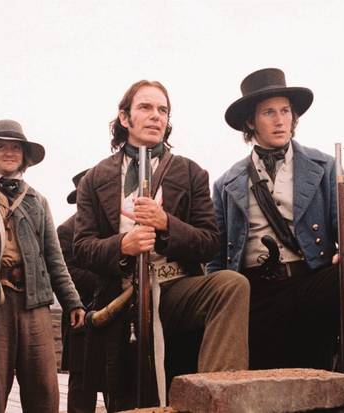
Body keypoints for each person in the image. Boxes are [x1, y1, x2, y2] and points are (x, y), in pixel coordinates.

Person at [209, 68, 344, 380]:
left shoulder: (324, 165)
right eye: (268, 112)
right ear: (250, 121)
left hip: (308, 280)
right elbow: (216, 257)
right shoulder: (225, 183)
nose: (280, 120)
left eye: (285, 111)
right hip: (255, 294)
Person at [74, 80, 249, 411]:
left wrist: (167, 224)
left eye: (163, 110)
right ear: (124, 118)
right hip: (121, 297)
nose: (156, 116)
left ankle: (216, 399)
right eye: (145, 107)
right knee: (130, 399)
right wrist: (122, 245)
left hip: (175, 287)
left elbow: (210, 242)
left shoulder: (191, 172)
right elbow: (81, 248)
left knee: (231, 285)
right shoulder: (94, 178)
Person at [0, 119, 84, 413]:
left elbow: (54, 257)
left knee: (43, 391)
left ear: (24, 156)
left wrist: (72, 301)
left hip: (34, 302)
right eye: (2, 146)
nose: (9, 152)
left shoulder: (37, 201)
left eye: (16, 147)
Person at [57, 169, 99, 413]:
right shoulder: (66, 231)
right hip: (81, 318)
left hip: (116, 318)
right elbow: (66, 273)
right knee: (81, 387)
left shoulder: (116, 228)